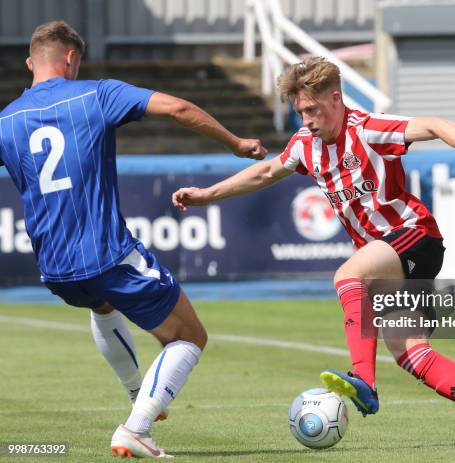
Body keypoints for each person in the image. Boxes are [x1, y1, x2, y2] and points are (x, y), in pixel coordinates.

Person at [172, 57, 455, 447]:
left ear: (335, 98)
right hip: (385, 255)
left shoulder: (368, 129)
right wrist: (207, 195)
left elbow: (434, 124)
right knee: (410, 352)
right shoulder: (305, 145)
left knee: (348, 276)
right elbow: (264, 172)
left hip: (414, 235)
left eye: (312, 110)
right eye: (300, 112)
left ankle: (363, 379)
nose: (307, 120)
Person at [0, 21, 267, 458]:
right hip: (107, 254)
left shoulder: (6, 119)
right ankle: (137, 427)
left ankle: (136, 391)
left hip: (54, 268)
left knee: (101, 305)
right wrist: (235, 143)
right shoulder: (96, 93)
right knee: (188, 337)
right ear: (71, 59)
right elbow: (179, 109)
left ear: (31, 63)